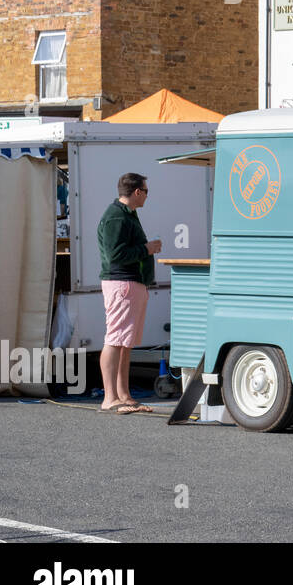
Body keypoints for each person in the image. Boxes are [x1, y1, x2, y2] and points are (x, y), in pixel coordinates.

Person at [97, 173, 162, 414]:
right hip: (122, 283)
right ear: (137, 192)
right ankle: (110, 397)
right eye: (146, 191)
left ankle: (123, 395)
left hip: (130, 283)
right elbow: (116, 255)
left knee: (125, 343)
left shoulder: (126, 215)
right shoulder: (116, 217)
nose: (147, 196)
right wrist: (147, 248)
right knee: (115, 339)